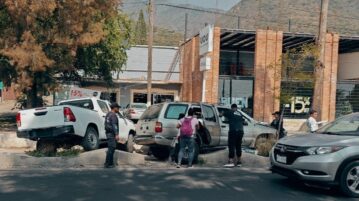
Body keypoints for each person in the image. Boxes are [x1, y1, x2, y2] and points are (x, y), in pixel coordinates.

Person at [104, 102, 120, 168]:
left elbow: (105, 124)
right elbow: (114, 125)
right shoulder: (113, 115)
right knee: (111, 148)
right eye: (118, 108)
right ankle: (108, 164)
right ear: (115, 108)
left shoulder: (108, 114)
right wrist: (116, 134)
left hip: (108, 133)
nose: (118, 109)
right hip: (112, 134)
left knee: (111, 148)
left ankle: (109, 163)